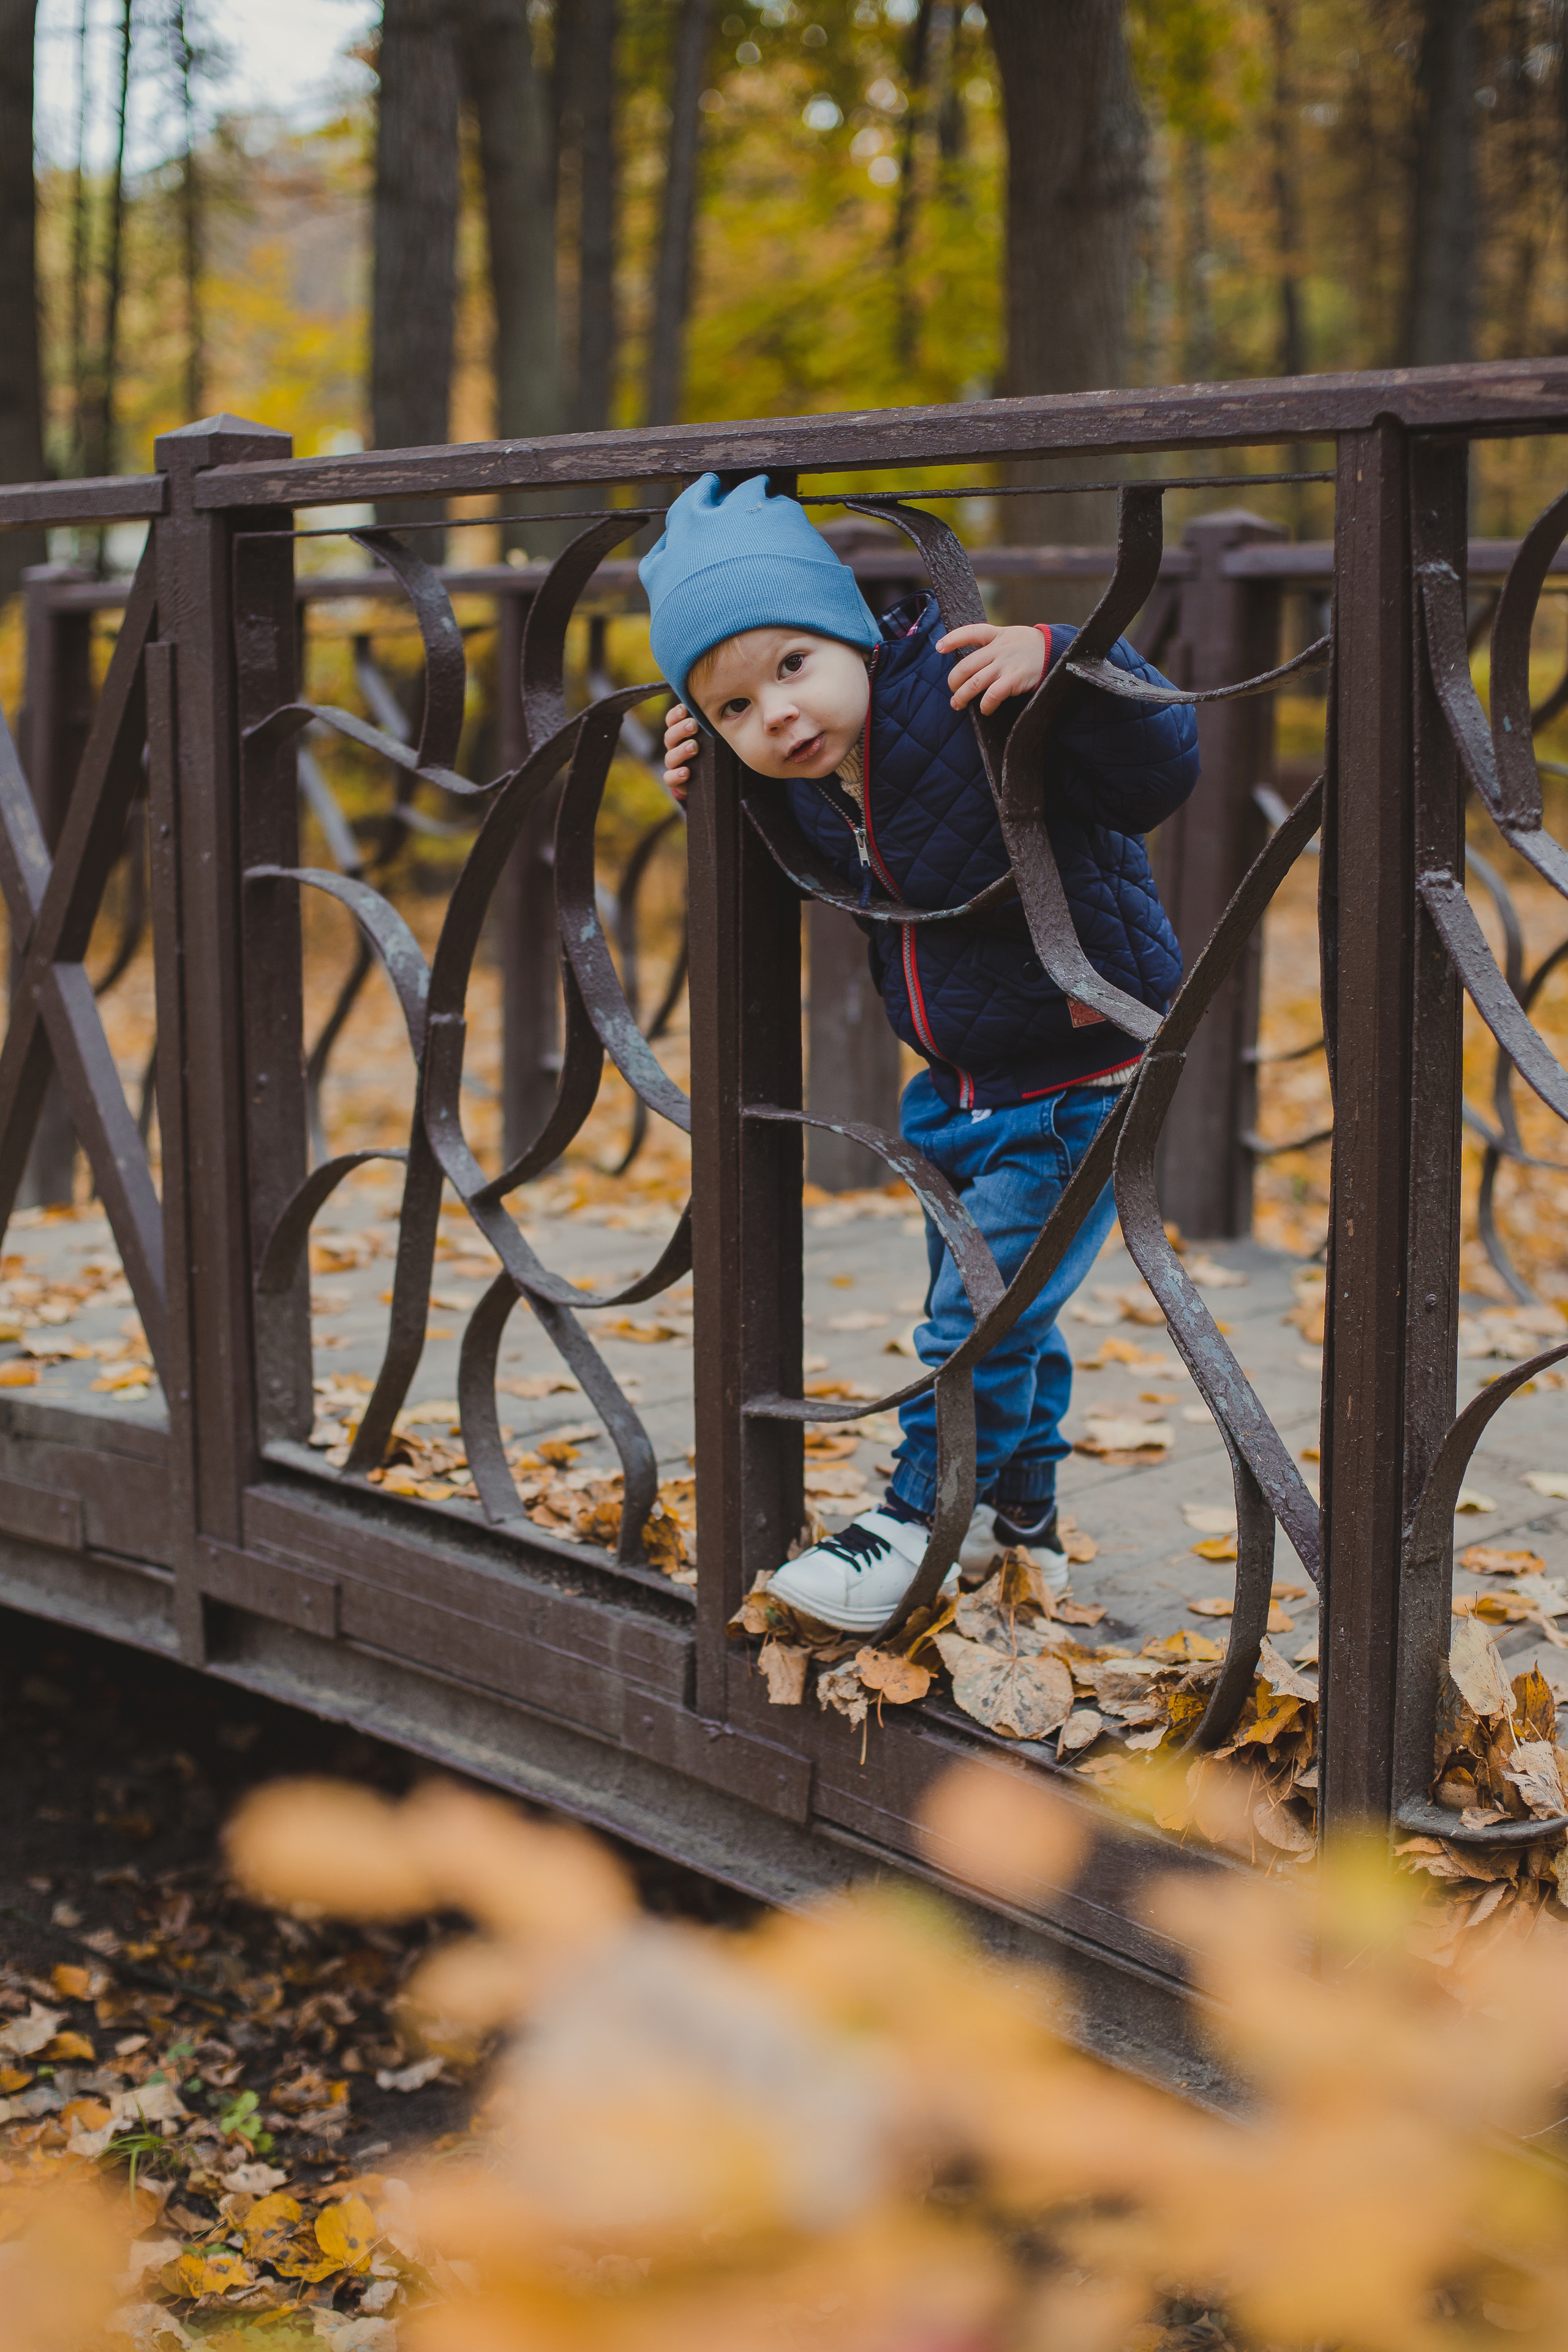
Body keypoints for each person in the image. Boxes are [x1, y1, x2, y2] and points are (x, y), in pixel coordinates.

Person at [640, 473, 1199, 1634]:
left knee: (975, 1314)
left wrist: (1064, 660)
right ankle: (1027, 1519)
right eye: (734, 708)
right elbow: (794, 853)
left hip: (1084, 1070)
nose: (777, 719)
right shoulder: (806, 778)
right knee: (1004, 1307)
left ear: (852, 631)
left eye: (791, 667)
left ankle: (913, 1522)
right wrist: (703, 785)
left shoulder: (964, 697)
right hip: (958, 1088)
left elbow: (1160, 770)